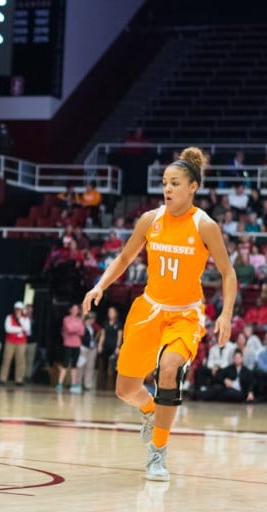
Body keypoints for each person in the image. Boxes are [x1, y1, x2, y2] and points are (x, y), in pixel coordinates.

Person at [82, 146, 237, 481]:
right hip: (149, 309)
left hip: (185, 315)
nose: (167, 189)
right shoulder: (149, 220)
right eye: (165, 183)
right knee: (125, 390)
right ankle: (151, 410)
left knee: (169, 369)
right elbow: (123, 259)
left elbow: (227, 273)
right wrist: (100, 286)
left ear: (192, 186)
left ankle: (157, 454)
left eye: (175, 183)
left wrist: (225, 315)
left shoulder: (204, 225)